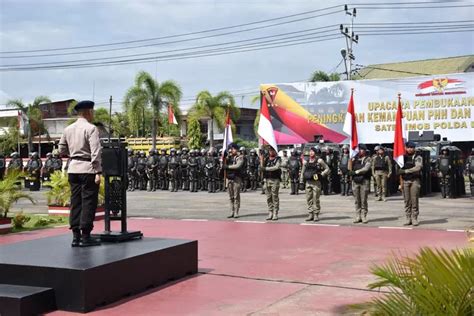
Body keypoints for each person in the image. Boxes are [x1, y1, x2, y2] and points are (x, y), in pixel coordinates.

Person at [58, 100, 102, 247]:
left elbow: (61, 150)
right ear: (88, 112)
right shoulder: (91, 128)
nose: (93, 114)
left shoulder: (68, 129)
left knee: (75, 202)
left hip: (73, 169)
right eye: (92, 111)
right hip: (87, 169)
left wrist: (73, 153)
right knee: (89, 202)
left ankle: (75, 236)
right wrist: (98, 171)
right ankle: (86, 235)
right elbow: (95, 152)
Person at [300, 146, 330, 222]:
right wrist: (301, 181)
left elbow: (327, 169)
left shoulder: (319, 160)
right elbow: (302, 172)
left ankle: (316, 214)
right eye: (310, 151)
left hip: (316, 183)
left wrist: (322, 174)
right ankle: (310, 214)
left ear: (315, 152)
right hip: (308, 182)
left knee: (315, 199)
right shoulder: (306, 161)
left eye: (313, 151)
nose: (311, 152)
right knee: (309, 199)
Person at [398, 141, 423, 226]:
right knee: (407, 200)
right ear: (405, 148)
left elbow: (418, 167)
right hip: (405, 181)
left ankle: (414, 218)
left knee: (414, 200)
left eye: (412, 147)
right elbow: (399, 169)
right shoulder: (402, 158)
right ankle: (408, 218)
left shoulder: (417, 157)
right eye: (408, 147)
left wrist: (406, 171)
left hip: (414, 180)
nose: (410, 149)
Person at [349, 144, 372, 224]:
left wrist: (356, 172)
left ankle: (364, 216)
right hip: (355, 181)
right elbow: (350, 169)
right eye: (359, 149)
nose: (359, 151)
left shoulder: (368, 159)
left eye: (361, 149)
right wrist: (350, 162)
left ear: (365, 150)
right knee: (357, 200)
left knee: (363, 200)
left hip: (364, 181)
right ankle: (358, 216)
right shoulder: (354, 159)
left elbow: (366, 169)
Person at [223, 143, 244, 218]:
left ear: (236, 149)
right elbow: (222, 164)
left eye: (233, 149)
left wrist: (228, 166)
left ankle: (236, 212)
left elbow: (237, 166)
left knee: (236, 196)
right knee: (230, 196)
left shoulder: (239, 157)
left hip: (236, 178)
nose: (231, 150)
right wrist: (224, 158)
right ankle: (231, 211)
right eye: (231, 149)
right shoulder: (228, 157)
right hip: (229, 179)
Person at [262, 146, 281, 221]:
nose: (271, 152)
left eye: (272, 150)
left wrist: (266, 168)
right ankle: (270, 211)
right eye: (270, 150)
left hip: (275, 180)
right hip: (267, 180)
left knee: (275, 197)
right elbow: (262, 167)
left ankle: (275, 212)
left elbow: (276, 167)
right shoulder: (266, 159)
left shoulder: (278, 159)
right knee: (268, 197)